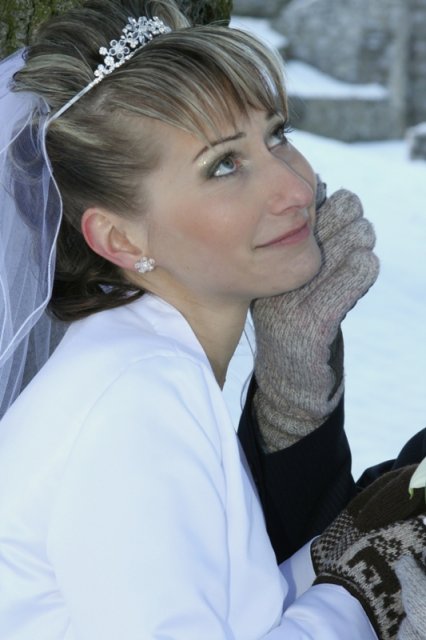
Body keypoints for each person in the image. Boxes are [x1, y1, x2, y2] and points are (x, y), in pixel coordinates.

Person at [0, 1, 424, 638]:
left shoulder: (138, 361)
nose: (294, 188)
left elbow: (234, 604)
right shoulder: (135, 399)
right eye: (224, 165)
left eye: (276, 134)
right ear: (119, 238)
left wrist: (354, 540)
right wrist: (366, 593)